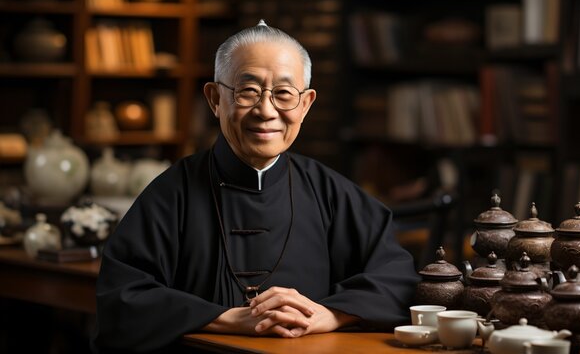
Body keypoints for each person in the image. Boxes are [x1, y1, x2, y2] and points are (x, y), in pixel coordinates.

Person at [92, 20, 419, 353]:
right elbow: (122, 300)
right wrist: (229, 319)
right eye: (248, 91)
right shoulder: (170, 194)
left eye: (284, 94)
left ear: (305, 105)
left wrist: (329, 315)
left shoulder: (332, 193)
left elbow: (398, 280)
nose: (266, 110)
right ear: (215, 98)